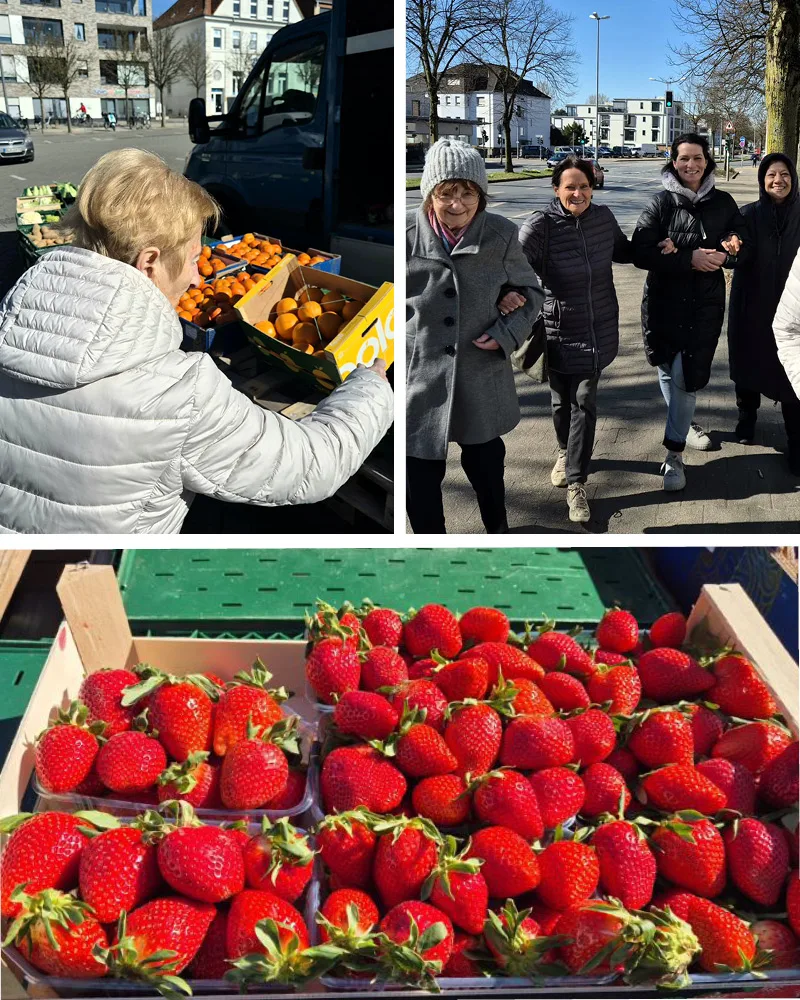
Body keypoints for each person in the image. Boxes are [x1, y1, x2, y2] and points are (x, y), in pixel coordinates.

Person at [0, 149, 393, 534]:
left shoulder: (8, 328)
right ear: (149, 262)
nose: (196, 279)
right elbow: (310, 464)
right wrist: (370, 389)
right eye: (191, 259)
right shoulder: (174, 393)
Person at [406, 139, 543, 533]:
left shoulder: (500, 234)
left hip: (479, 374)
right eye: (446, 193)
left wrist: (506, 332)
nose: (457, 205)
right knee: (420, 481)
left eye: (468, 193)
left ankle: (497, 534)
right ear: (430, 192)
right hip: (420, 378)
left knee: (486, 470)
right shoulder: (407, 234)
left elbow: (531, 294)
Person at [519, 155, 636, 523]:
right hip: (557, 330)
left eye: (584, 186)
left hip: (598, 325)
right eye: (570, 186)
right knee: (559, 403)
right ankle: (562, 449)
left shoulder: (603, 218)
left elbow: (626, 250)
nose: (578, 193)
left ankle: (576, 483)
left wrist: (666, 244)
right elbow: (513, 269)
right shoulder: (541, 225)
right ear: (556, 189)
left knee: (583, 401)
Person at [631, 132, 747, 491]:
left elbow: (742, 245)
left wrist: (729, 252)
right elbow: (639, 252)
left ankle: (673, 454)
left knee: (687, 377)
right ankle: (686, 425)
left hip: (705, 304)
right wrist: (687, 257)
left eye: (697, 158)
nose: (691, 165)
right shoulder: (661, 204)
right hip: (664, 301)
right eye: (684, 158)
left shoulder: (725, 202)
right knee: (667, 369)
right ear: (673, 161)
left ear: (708, 160)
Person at [728, 154, 800, 472]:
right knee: (748, 362)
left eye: (785, 174)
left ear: (793, 179)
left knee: (793, 373)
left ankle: (797, 440)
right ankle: (747, 418)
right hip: (752, 305)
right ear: (762, 180)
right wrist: (731, 249)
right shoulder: (749, 215)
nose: (778, 180)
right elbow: (734, 250)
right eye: (771, 175)